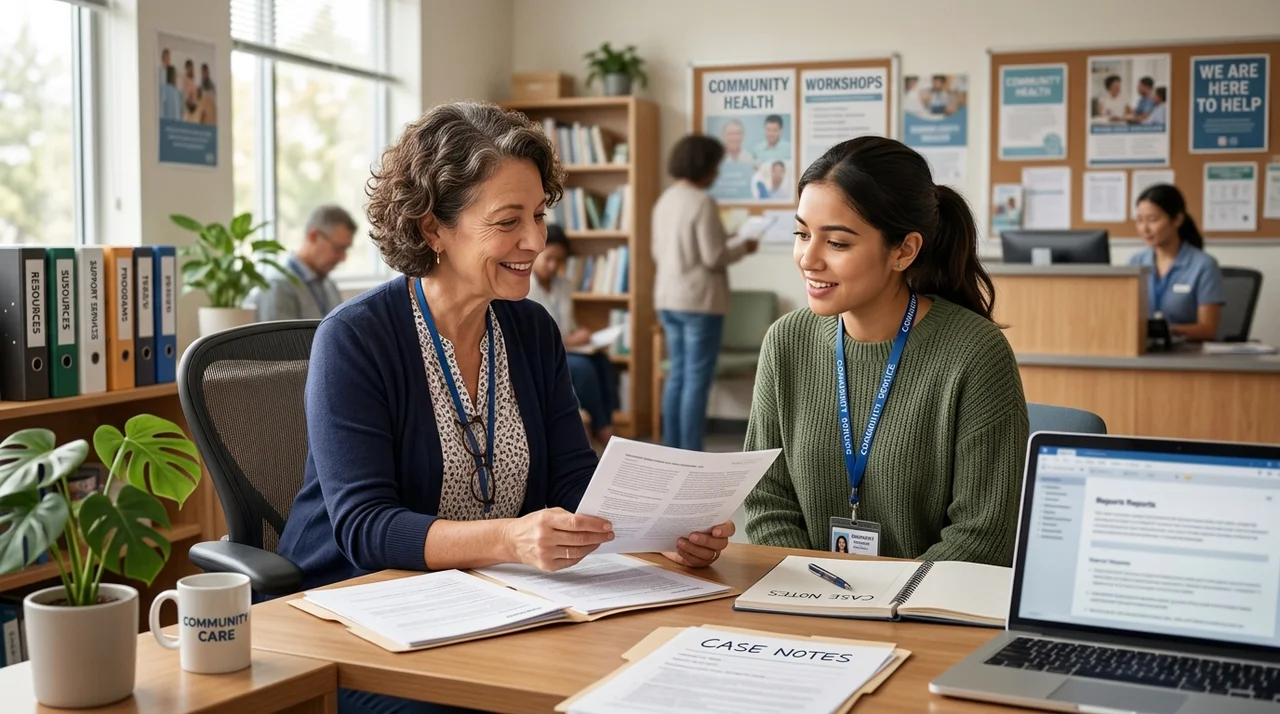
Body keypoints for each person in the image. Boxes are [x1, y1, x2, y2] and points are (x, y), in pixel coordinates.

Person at [276, 102, 733, 714]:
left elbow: (572, 477)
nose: (537, 241)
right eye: (508, 220)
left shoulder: (530, 329)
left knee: (639, 673)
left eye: (540, 215)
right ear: (431, 227)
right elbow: (365, 527)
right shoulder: (355, 338)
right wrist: (511, 540)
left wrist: (664, 527)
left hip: (488, 600)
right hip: (357, 612)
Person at [743, 136, 1029, 566]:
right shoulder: (786, 341)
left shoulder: (975, 353)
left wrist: (881, 604)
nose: (808, 258)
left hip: (927, 613)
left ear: (904, 250)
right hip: (804, 603)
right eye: (802, 234)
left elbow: (981, 536)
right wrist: (810, 592)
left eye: (837, 243)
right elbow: (767, 502)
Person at [652, 134, 759, 451]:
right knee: (696, 380)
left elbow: (662, 250)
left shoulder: (665, 200)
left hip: (668, 297)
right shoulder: (703, 202)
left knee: (678, 377)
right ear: (705, 167)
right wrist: (744, 247)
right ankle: (691, 454)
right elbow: (714, 257)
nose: (717, 173)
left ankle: (673, 449)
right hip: (699, 301)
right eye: (715, 166)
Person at [527, 223, 619, 445]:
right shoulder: (526, 286)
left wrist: (581, 334)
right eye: (548, 258)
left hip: (567, 347)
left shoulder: (564, 285)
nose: (553, 265)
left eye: (559, 261)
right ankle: (604, 431)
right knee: (583, 369)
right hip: (543, 353)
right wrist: (570, 340)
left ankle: (607, 425)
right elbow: (534, 336)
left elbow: (566, 323)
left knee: (604, 363)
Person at [1129, 184, 1223, 341]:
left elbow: (1207, 329)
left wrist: (1164, 331)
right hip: (1144, 351)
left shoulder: (1204, 265)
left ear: (1177, 219)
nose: (1144, 228)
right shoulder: (1135, 262)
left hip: (1189, 355)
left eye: (1152, 220)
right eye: (1139, 220)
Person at [243, 204, 354, 321]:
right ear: (313, 236)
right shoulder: (278, 286)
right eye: (338, 248)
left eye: (346, 249)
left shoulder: (329, 286)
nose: (343, 257)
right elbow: (277, 339)